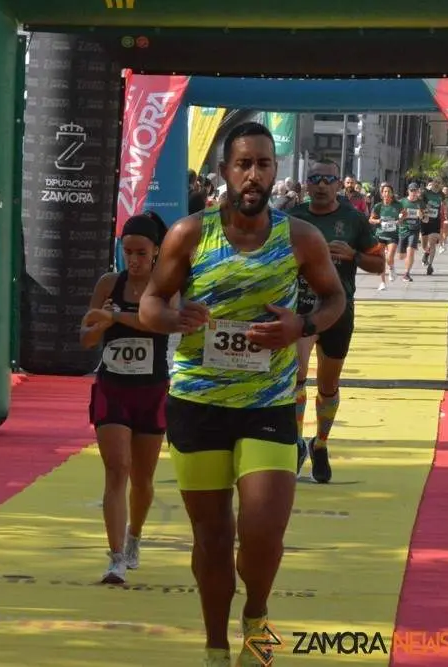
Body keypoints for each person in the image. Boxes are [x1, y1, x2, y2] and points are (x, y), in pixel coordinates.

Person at [139, 122, 346, 667]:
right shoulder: (189, 233)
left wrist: (300, 327)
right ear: (224, 171)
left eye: (264, 164)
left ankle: (256, 614)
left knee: (262, 533)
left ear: (277, 172)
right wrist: (175, 318)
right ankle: (214, 647)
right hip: (199, 405)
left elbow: (333, 300)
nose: (254, 176)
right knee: (211, 537)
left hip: (269, 404)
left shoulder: (300, 237)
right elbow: (151, 304)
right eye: (244, 164)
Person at [80, 212, 173, 585]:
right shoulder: (108, 283)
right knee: (117, 468)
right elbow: (86, 338)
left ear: (155, 253)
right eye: (127, 251)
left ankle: (135, 536)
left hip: (151, 390)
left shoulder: (166, 286)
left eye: (140, 252)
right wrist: (98, 323)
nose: (133, 260)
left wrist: (117, 317)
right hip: (112, 387)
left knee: (143, 477)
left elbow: (161, 323)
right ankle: (116, 557)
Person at [290, 160, 384, 484]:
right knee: (297, 376)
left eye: (327, 180)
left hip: (339, 308)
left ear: (338, 185)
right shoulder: (293, 217)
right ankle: (295, 444)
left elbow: (379, 261)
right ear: (306, 184)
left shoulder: (353, 219)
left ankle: (321, 443)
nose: (320, 185)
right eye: (314, 179)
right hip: (302, 307)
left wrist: (353, 256)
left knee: (327, 386)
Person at [368, 182, 403, 291]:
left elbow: (404, 215)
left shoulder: (398, 205)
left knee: (389, 257)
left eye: (389, 191)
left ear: (392, 193)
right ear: (382, 194)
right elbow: (370, 219)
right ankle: (382, 282)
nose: (387, 193)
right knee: (381, 259)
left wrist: (400, 219)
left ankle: (391, 268)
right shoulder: (378, 206)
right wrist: (378, 220)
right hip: (380, 234)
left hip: (393, 234)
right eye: (385, 191)